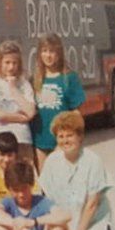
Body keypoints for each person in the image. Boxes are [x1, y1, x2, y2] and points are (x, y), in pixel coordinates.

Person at [37, 110, 114, 230]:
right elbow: (47, 200)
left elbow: (92, 204)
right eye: (61, 136)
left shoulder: (93, 161)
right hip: (65, 224)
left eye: (69, 135)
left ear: (80, 136)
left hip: (91, 224)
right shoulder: (52, 161)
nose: (65, 140)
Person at [31, 34, 87, 169]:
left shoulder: (69, 78)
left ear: (59, 53)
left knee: (62, 178)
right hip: (40, 139)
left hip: (62, 140)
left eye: (52, 51)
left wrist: (69, 139)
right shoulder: (35, 78)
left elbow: (76, 113)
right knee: (45, 181)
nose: (48, 55)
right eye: (44, 51)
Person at [0, 40, 36, 159]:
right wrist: (24, 118)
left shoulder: (23, 84)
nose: (11, 67)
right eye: (7, 62)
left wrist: (14, 89)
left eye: (15, 63)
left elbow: (31, 111)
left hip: (21, 139)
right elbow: (0, 115)